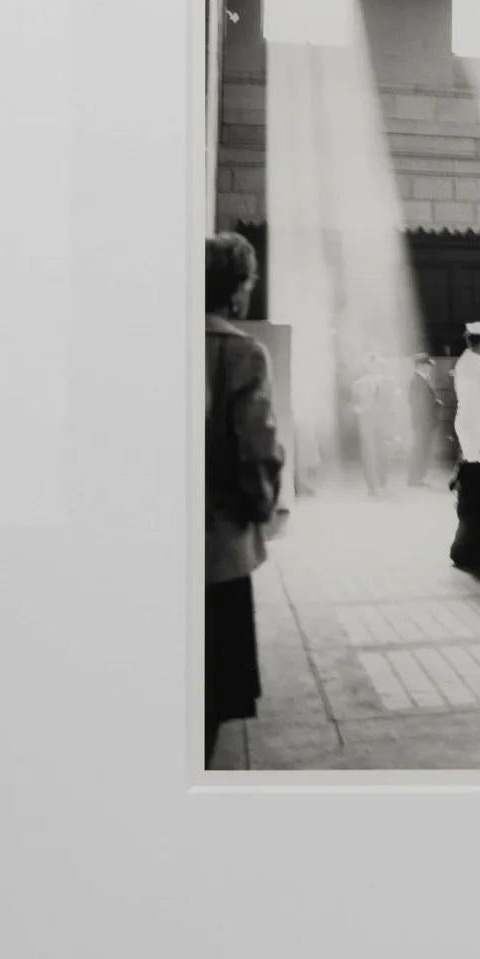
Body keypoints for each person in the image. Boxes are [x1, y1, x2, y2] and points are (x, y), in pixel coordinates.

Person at [204, 233, 285, 766]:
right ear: (237, 293)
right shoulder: (240, 353)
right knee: (208, 694)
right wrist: (262, 510)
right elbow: (256, 450)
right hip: (216, 550)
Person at [452, 321, 480, 465]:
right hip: (474, 424)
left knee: (475, 470)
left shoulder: (470, 361)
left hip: (471, 422)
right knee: (475, 470)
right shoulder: (475, 365)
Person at [350, 351, 394, 496]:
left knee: (384, 453)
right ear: (367, 366)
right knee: (368, 454)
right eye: (371, 364)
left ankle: (382, 481)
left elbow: (393, 403)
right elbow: (354, 405)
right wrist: (360, 410)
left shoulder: (389, 382)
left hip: (384, 422)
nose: (374, 367)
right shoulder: (357, 384)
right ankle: (371, 486)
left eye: (377, 364)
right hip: (367, 422)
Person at [406, 354, 442, 486]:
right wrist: (435, 403)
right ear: (420, 365)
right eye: (428, 365)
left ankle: (418, 477)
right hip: (422, 422)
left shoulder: (423, 379)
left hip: (425, 422)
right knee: (420, 450)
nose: (430, 368)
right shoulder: (416, 380)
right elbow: (417, 403)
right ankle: (415, 478)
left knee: (422, 449)